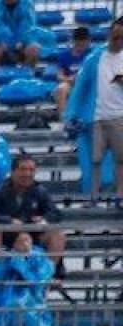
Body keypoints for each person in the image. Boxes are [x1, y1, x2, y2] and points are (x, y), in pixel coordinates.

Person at [67, 17, 123, 201]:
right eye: (115, 35)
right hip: (93, 123)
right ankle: (92, 203)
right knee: (96, 171)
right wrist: (71, 116)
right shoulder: (94, 59)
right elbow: (80, 89)